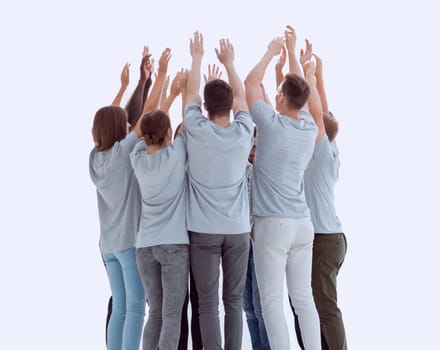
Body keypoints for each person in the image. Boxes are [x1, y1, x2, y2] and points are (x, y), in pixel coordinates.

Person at [244, 25, 324, 350]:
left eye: (278, 92)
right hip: (303, 225)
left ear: (280, 97)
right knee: (303, 299)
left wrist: (271, 50)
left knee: (273, 301)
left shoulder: (270, 124)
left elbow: (250, 83)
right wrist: (292, 54)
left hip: (271, 225)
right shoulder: (308, 128)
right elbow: (303, 93)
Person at [184, 32, 254, 350]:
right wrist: (230, 64)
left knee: (208, 304)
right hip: (239, 231)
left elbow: (190, 98)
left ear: (205, 107)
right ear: (230, 107)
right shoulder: (243, 132)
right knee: (234, 302)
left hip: (203, 232)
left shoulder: (196, 131)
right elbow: (240, 96)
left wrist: (197, 58)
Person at [89, 51, 156, 349]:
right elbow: (145, 118)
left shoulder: (96, 157)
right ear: (122, 131)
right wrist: (161, 79)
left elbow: (113, 119)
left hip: (108, 247)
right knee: (135, 309)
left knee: (119, 307)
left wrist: (131, 85)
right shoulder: (124, 153)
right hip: (129, 244)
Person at [130, 49, 192, 350]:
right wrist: (180, 92)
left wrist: (166, 97)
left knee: (154, 313)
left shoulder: (137, 157)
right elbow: (183, 126)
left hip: (144, 247)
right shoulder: (176, 153)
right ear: (169, 132)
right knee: (171, 316)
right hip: (173, 246)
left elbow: (150, 129)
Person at [291, 50, 348, 350]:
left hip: (325, 239)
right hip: (326, 238)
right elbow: (321, 110)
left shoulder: (322, 151)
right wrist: (319, 77)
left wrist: (307, 74)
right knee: (309, 303)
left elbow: (316, 112)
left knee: (324, 307)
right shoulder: (329, 150)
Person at [243, 128, 271, 350]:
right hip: (240, 243)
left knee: (261, 306)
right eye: (250, 147)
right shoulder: (239, 168)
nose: (252, 152)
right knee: (248, 307)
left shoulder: (266, 170)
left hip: (261, 241)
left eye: (256, 147)